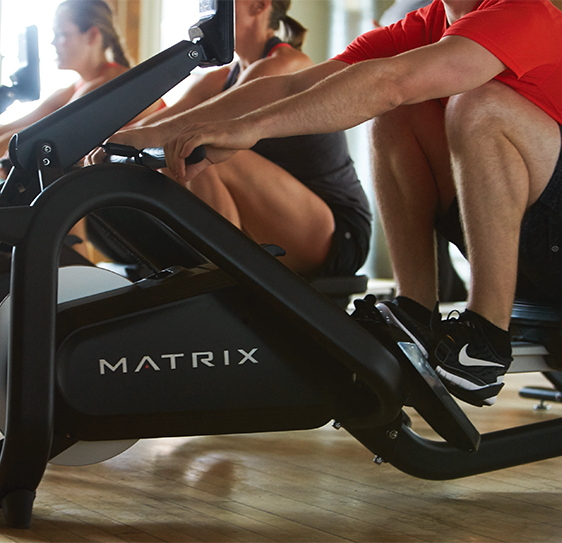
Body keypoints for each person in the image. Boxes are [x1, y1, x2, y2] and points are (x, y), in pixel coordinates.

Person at [151, 0, 562, 407]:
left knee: (475, 106)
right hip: (515, 233)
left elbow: (391, 82)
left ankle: (486, 338)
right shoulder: (427, 24)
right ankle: (414, 312)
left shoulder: (526, 10)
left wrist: (250, 128)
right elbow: (295, 86)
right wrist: (140, 135)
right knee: (395, 112)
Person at [91, 0, 371, 277]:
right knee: (174, 151)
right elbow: (159, 123)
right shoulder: (222, 78)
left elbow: (200, 123)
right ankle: (201, 271)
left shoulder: (286, 64)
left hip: (337, 234)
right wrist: (98, 145)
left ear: (259, 6)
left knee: (200, 147)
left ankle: (223, 280)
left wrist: (134, 139)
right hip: (278, 220)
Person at [0, 0, 163, 177]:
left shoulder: (110, 83)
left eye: (62, 34)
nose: (52, 42)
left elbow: (33, 137)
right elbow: (9, 132)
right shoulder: (71, 90)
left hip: (151, 189)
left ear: (92, 35)